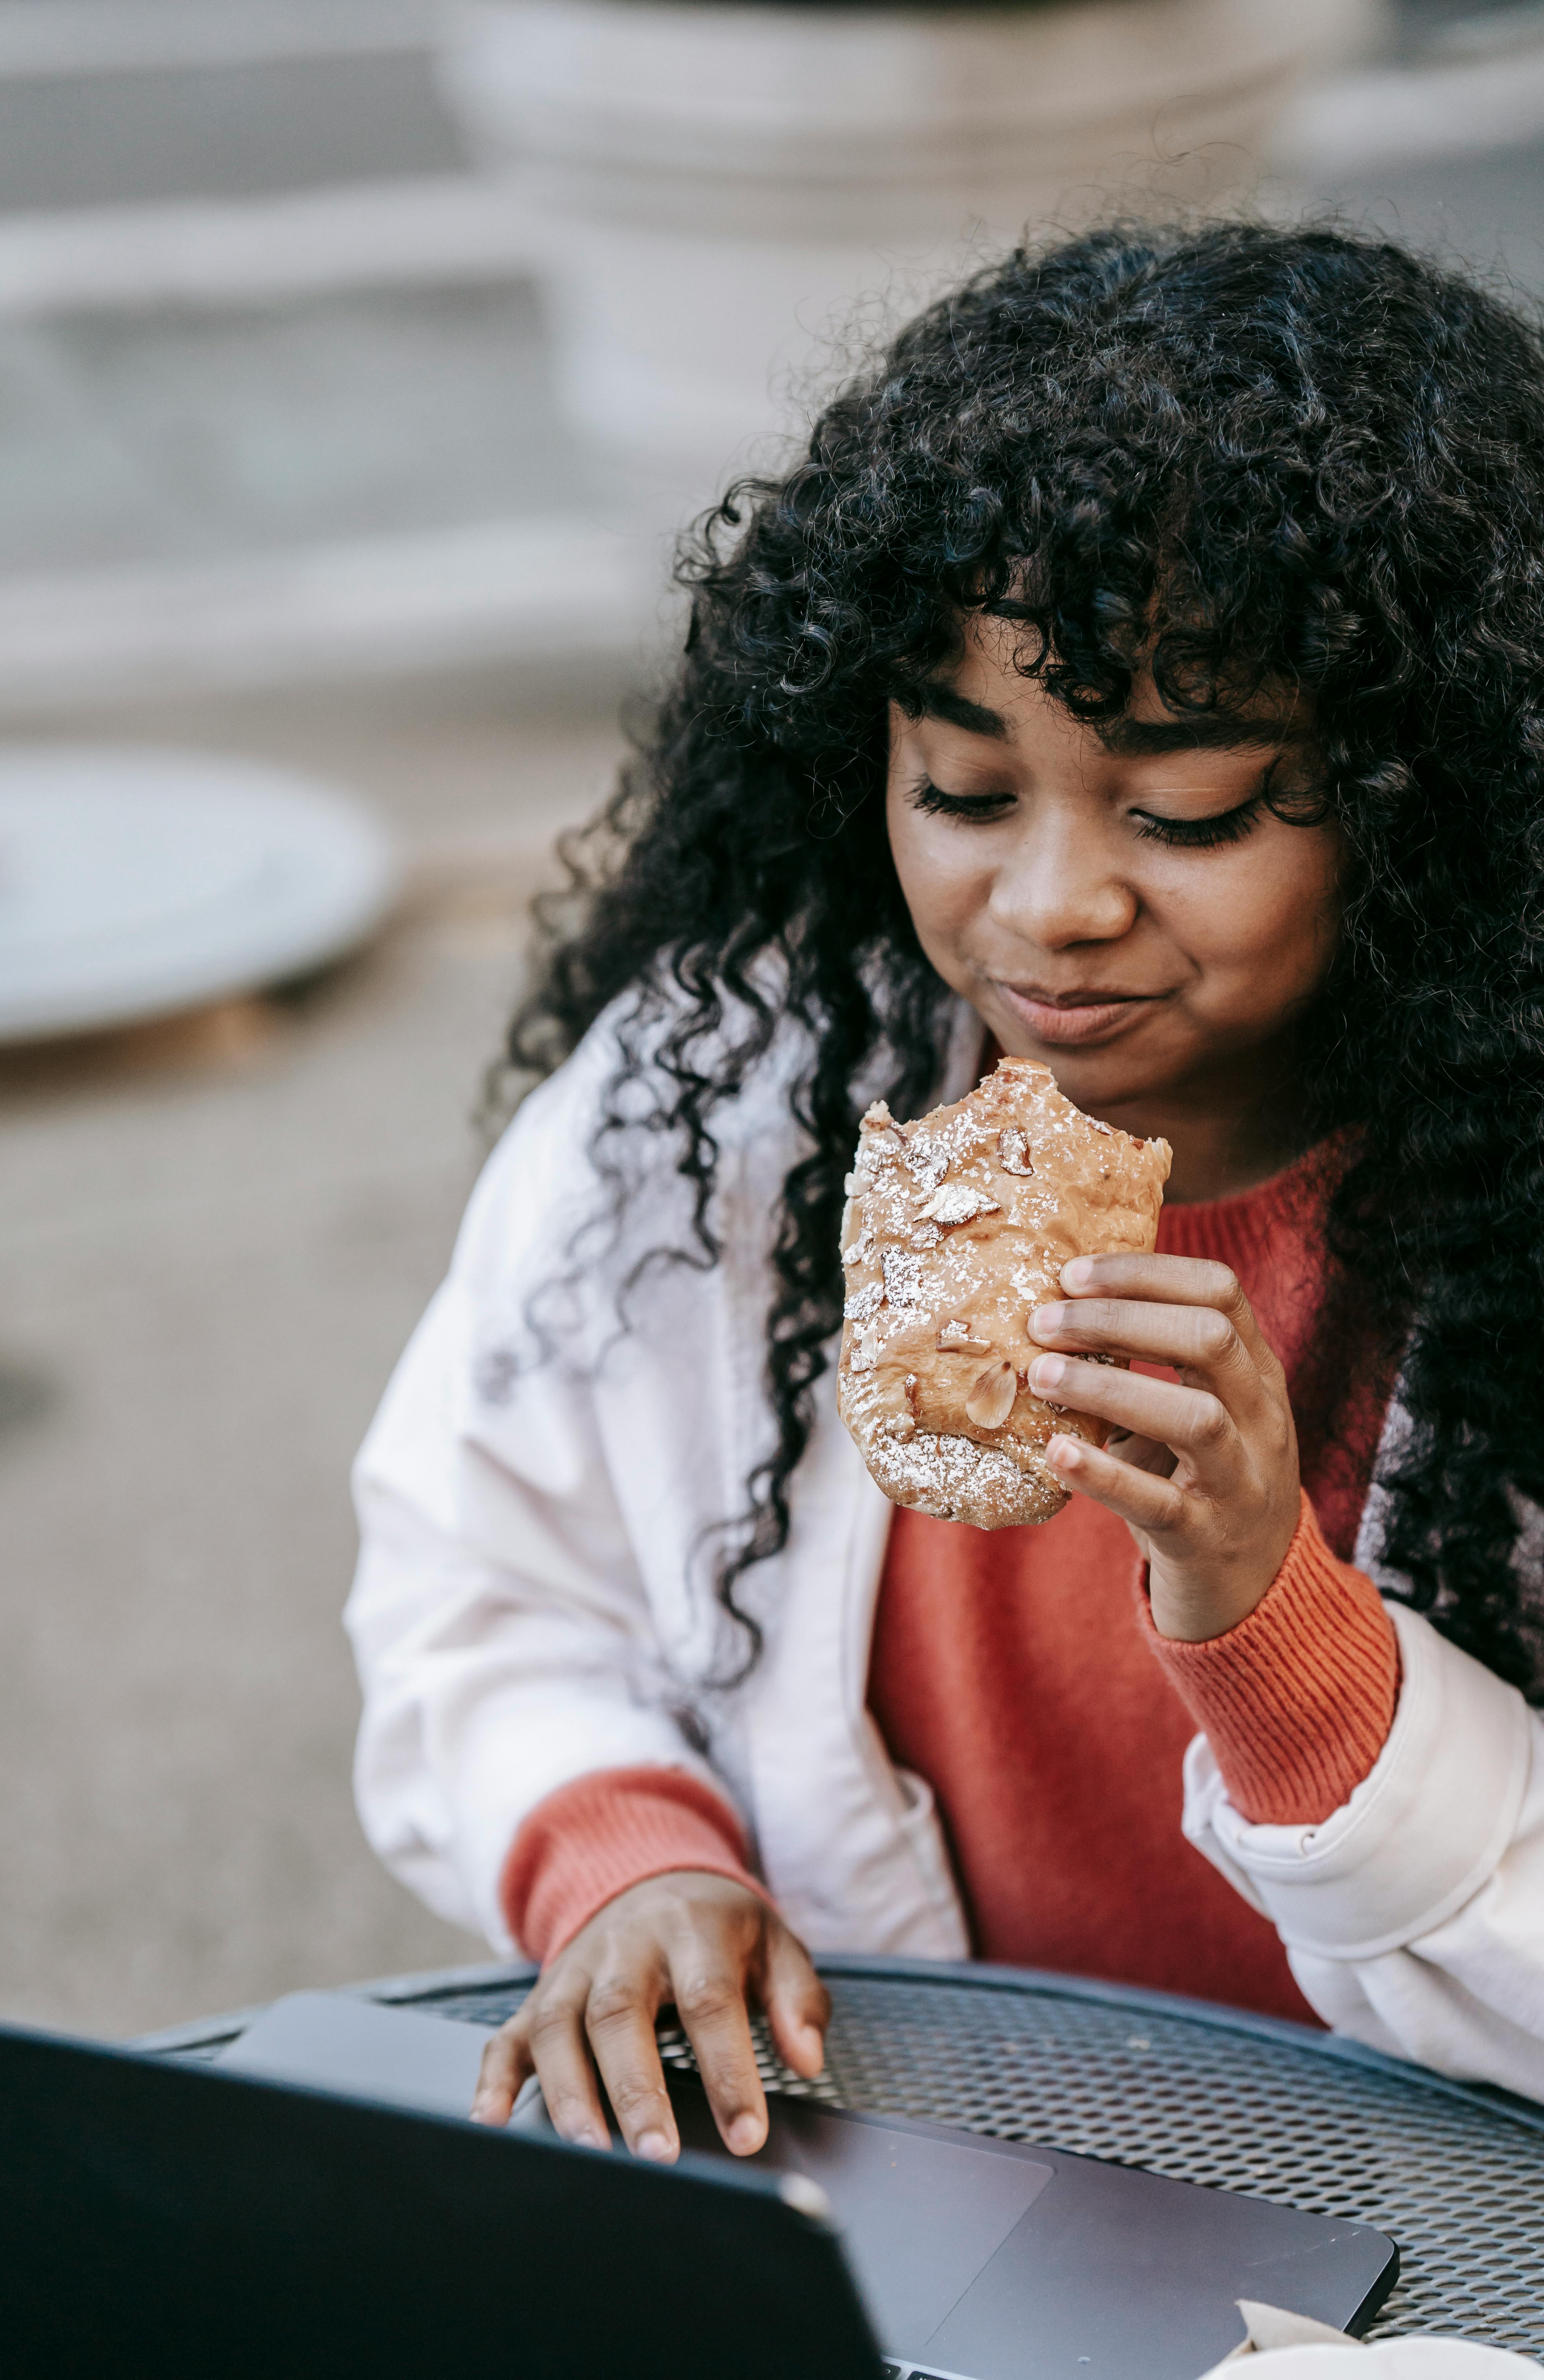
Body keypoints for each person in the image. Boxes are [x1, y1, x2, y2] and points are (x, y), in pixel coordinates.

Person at [345, 222, 1544, 2168]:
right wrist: (617, 1854)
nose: (1053, 907)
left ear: (1429, 797)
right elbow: (479, 1582)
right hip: (908, 2159)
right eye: (966, 793)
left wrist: (1275, 1619)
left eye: (1186, 812)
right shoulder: (734, 1098)